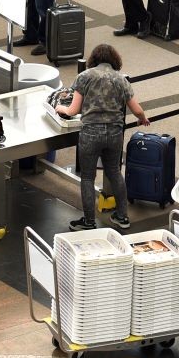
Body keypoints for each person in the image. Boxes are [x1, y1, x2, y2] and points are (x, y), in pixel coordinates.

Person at [54, 45, 149, 230]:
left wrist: (60, 108)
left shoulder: (85, 77)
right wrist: (143, 119)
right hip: (114, 133)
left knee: (88, 177)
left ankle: (89, 222)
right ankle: (122, 217)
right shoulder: (121, 80)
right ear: (114, 60)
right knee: (114, 172)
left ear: (94, 59)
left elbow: (73, 110)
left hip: (90, 133)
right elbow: (137, 109)